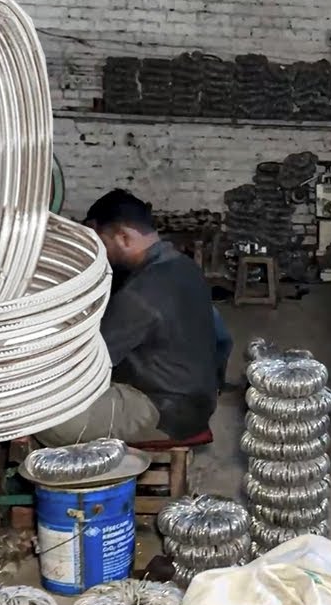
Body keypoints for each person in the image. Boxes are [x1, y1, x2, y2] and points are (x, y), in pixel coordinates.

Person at [37, 190, 219, 447]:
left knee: (46, 419)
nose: (99, 252)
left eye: (101, 242)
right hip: (198, 400)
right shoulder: (186, 267)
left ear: (123, 237)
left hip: (165, 411)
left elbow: (92, 362)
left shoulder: (143, 292)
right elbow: (222, 339)